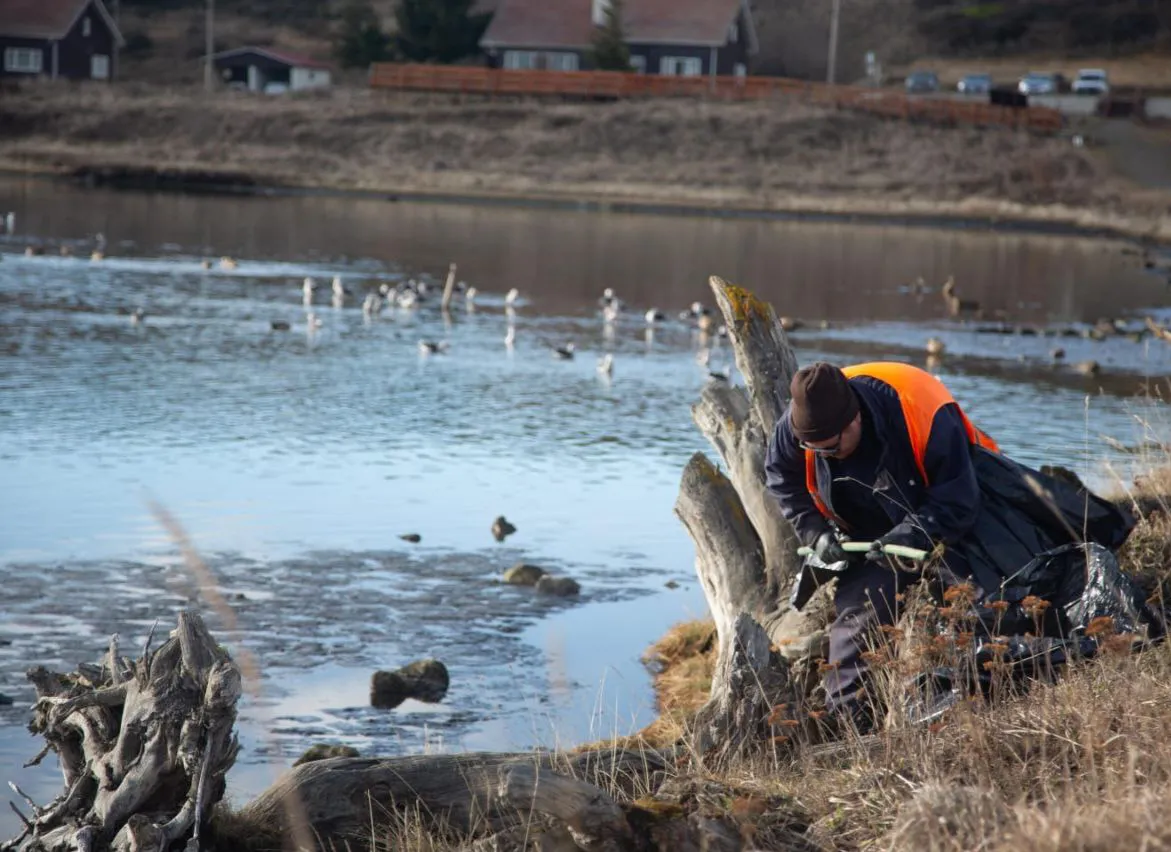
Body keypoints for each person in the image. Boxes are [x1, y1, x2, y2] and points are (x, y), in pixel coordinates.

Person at [764, 361, 1002, 723]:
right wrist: (815, 530)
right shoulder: (799, 426)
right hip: (872, 530)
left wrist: (907, 535)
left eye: (830, 448)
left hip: (959, 510)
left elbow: (958, 500)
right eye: (816, 450)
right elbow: (781, 478)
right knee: (857, 620)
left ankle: (991, 696)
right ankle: (848, 725)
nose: (825, 456)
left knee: (985, 606)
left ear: (854, 419)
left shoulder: (922, 410)